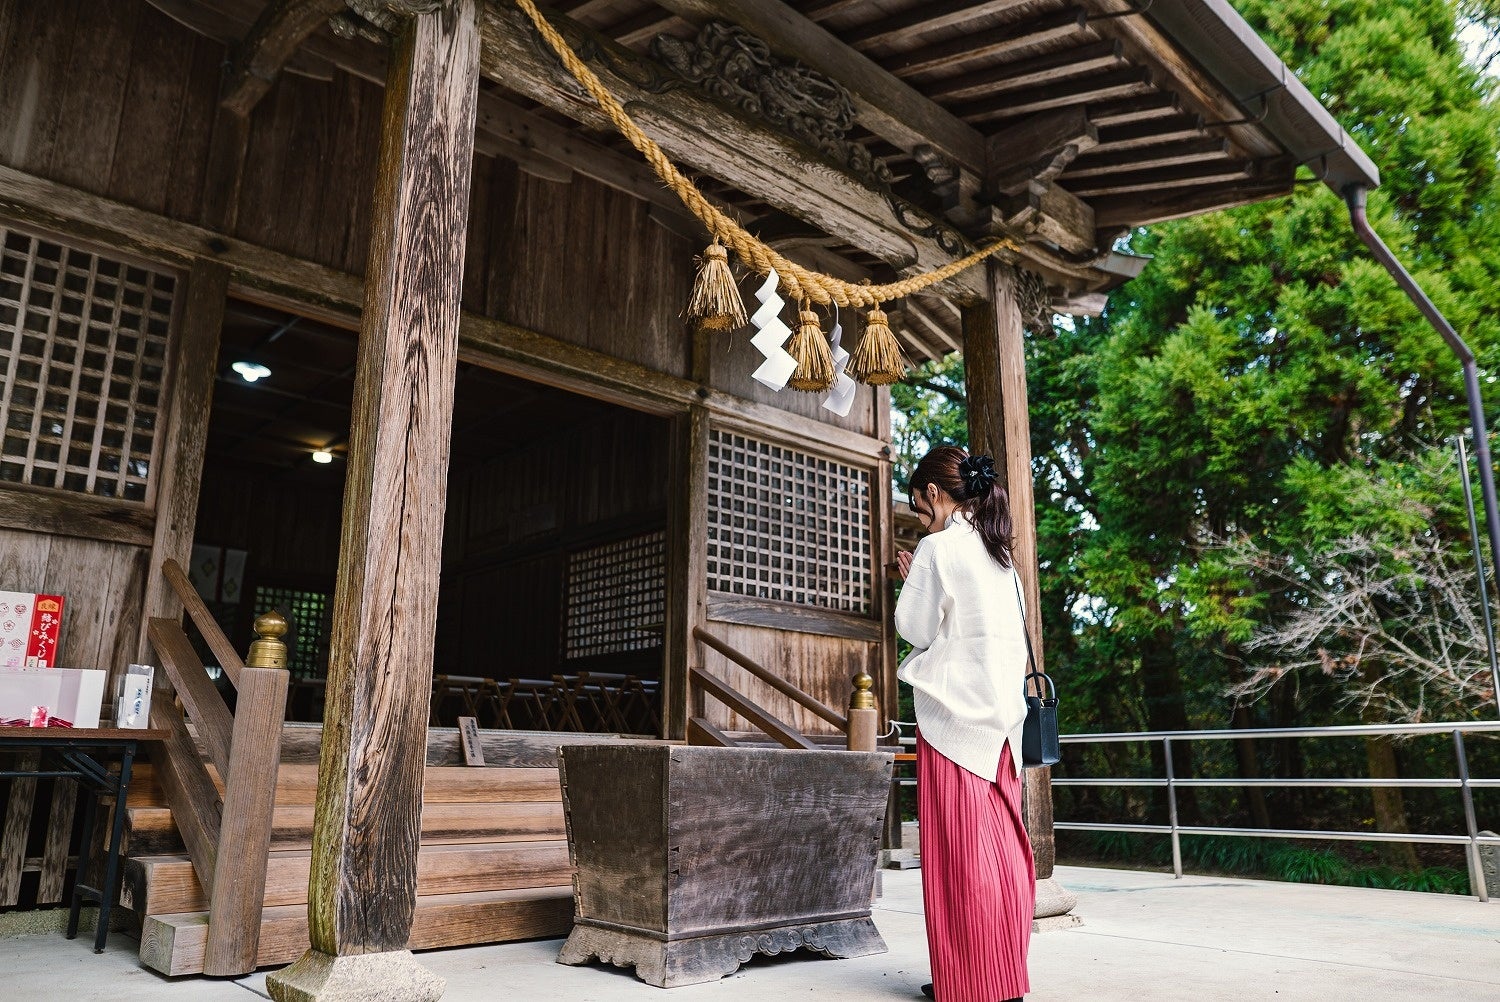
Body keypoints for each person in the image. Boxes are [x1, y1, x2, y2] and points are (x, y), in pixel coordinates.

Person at [894, 445, 1035, 1002]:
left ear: (934, 492)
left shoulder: (938, 548)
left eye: (918, 505)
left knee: (960, 859)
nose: (920, 519)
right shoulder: (1002, 556)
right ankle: (1004, 978)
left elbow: (915, 628)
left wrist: (913, 578)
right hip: (1003, 727)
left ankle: (967, 982)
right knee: (1004, 852)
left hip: (954, 724)